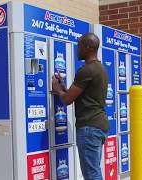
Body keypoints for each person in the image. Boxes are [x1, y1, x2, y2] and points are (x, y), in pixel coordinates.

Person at [52, 33, 109, 180]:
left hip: (89, 128)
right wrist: (64, 87)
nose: (77, 50)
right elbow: (80, 95)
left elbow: (67, 100)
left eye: (79, 46)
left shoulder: (86, 70)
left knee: (91, 174)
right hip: (99, 126)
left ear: (88, 47)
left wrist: (57, 89)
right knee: (94, 170)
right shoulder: (101, 69)